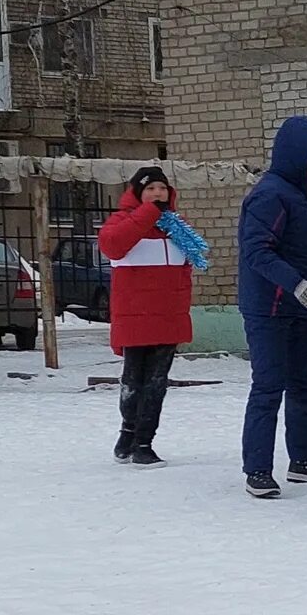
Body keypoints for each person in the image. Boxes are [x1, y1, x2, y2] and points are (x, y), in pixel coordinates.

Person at [238, 115, 307, 499]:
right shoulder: (270, 195)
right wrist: (295, 284)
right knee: (267, 386)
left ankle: (303, 460)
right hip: (269, 307)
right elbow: (257, 251)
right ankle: (258, 469)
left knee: (305, 386)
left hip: (298, 306)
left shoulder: (300, 195)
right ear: (300, 156)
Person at [99, 164, 204, 466]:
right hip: (135, 317)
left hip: (167, 317)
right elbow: (113, 245)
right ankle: (127, 433)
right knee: (133, 378)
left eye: (162, 189)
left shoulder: (176, 228)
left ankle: (144, 441)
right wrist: (147, 214)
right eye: (150, 189)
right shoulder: (122, 221)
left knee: (157, 382)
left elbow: (186, 268)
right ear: (137, 193)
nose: (158, 194)